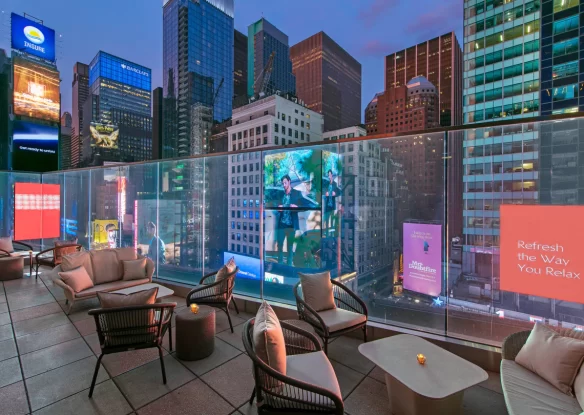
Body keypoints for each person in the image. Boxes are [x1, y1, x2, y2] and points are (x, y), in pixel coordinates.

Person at [275, 175, 303, 265]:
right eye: (282, 183)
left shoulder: (297, 193)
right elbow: (276, 205)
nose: (283, 185)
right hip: (282, 224)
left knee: (290, 247)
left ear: (289, 181)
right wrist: (278, 208)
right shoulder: (281, 194)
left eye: (285, 183)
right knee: (280, 245)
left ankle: (289, 265)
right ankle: (280, 264)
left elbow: (303, 206)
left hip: (291, 225)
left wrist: (297, 207)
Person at [324, 170, 341, 234]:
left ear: (332, 175)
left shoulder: (335, 184)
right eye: (328, 175)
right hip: (327, 204)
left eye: (330, 175)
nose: (329, 176)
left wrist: (335, 193)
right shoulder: (326, 184)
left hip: (332, 204)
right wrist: (326, 193)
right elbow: (323, 192)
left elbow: (338, 192)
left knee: (332, 218)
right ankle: (327, 231)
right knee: (327, 218)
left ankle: (331, 231)